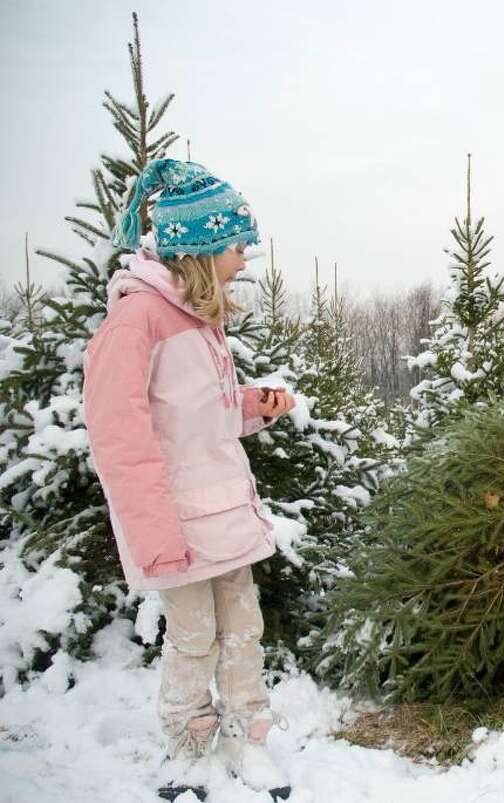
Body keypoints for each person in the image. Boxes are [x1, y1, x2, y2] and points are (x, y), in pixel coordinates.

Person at [83, 159, 295, 800]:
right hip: (175, 521)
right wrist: (152, 534)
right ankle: (189, 747)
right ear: (199, 249)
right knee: (195, 637)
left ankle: (246, 738)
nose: (245, 256)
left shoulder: (200, 320)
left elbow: (198, 416)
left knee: (243, 628)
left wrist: (251, 404)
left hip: (223, 509)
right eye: (236, 245)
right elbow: (121, 439)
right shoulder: (135, 323)